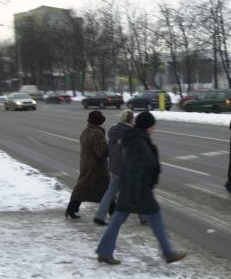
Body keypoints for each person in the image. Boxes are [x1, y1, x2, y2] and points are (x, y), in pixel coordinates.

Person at [96, 111, 186, 265]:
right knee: (155, 217)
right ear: (147, 126)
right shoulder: (138, 141)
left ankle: (104, 251)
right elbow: (135, 168)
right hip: (138, 189)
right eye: (153, 126)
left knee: (118, 220)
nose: (154, 129)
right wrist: (135, 194)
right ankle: (168, 253)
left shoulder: (136, 138)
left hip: (133, 187)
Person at [93, 109, 148, 226]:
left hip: (114, 168)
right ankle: (143, 217)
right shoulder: (131, 133)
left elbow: (110, 150)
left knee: (109, 193)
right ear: (130, 119)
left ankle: (99, 216)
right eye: (133, 119)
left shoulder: (113, 131)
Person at [65, 110, 110, 219]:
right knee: (107, 189)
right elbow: (102, 152)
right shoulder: (97, 133)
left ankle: (71, 209)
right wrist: (111, 147)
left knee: (83, 187)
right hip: (96, 166)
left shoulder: (86, 131)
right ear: (99, 121)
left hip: (86, 163)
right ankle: (113, 212)